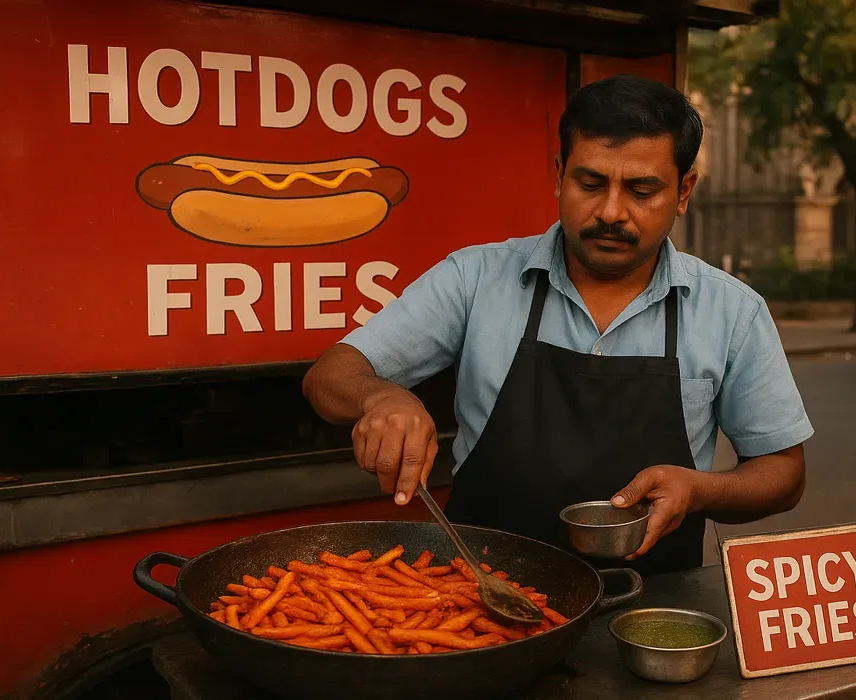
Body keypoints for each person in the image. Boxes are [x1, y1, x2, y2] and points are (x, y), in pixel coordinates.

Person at [303, 74, 813, 575]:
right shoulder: (476, 278)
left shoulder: (731, 310)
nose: (611, 212)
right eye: (590, 183)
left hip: (653, 608)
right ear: (558, 175)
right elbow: (329, 376)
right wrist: (381, 397)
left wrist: (700, 490)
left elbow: (783, 475)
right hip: (481, 600)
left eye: (641, 190)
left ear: (683, 193)